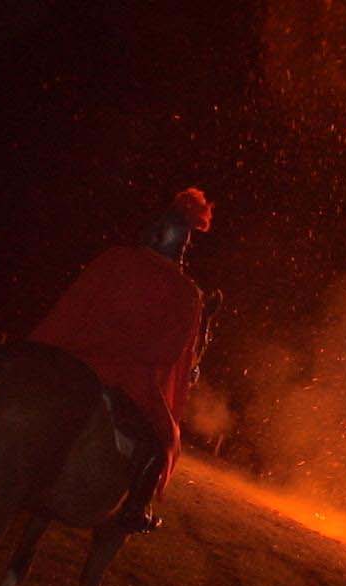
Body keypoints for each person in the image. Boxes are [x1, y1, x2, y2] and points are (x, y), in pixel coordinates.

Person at [29, 189, 212, 532]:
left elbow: (73, 307)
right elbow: (165, 355)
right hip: (125, 376)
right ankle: (134, 509)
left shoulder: (115, 258)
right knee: (163, 440)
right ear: (180, 245)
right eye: (185, 248)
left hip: (70, 355)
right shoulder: (186, 293)